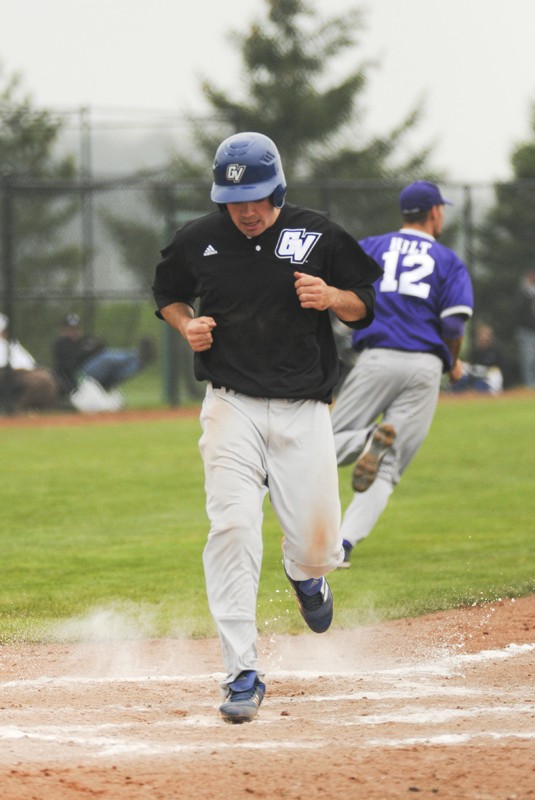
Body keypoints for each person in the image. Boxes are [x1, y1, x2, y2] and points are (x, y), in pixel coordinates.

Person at [151, 131, 381, 724]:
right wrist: (187, 327)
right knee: (231, 526)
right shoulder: (199, 239)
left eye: (255, 197)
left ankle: (307, 574)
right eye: (234, 200)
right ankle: (241, 672)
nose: (246, 210)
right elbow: (169, 295)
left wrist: (332, 295)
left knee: (319, 546)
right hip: (231, 405)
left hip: (304, 408)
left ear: (277, 188)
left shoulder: (318, 232)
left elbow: (364, 303)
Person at [331, 180, 474, 567]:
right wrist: (453, 360)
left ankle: (364, 440)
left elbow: (342, 301)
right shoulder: (447, 260)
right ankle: (342, 544)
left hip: (377, 357)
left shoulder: (372, 247)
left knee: (322, 447)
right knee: (388, 466)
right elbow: (454, 327)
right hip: (426, 366)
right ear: (435, 212)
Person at [52, 314, 156, 404]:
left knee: (120, 373)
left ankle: (140, 361)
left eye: (75, 328)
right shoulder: (61, 344)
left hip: (95, 377)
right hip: (80, 377)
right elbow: (72, 362)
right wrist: (89, 350)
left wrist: (95, 346)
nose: (73, 332)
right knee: (107, 356)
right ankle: (136, 353)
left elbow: (99, 345)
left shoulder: (83, 339)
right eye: (70, 329)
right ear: (63, 330)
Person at [0, 312, 60, 412]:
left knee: (47, 378)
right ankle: (16, 409)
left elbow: (29, 362)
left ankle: (39, 410)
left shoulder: (11, 343)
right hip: (10, 373)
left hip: (25, 372)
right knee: (41, 380)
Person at [450, 321, 505, 395]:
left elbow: (499, 371)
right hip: (475, 375)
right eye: (481, 335)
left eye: (486, 335)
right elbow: (471, 368)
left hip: (489, 378)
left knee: (483, 383)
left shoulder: (496, 351)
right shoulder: (474, 351)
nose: (484, 338)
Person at [514, 269, 535, 387]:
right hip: (527, 330)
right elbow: (519, 311)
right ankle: (530, 385)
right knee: (529, 359)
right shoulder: (523, 292)